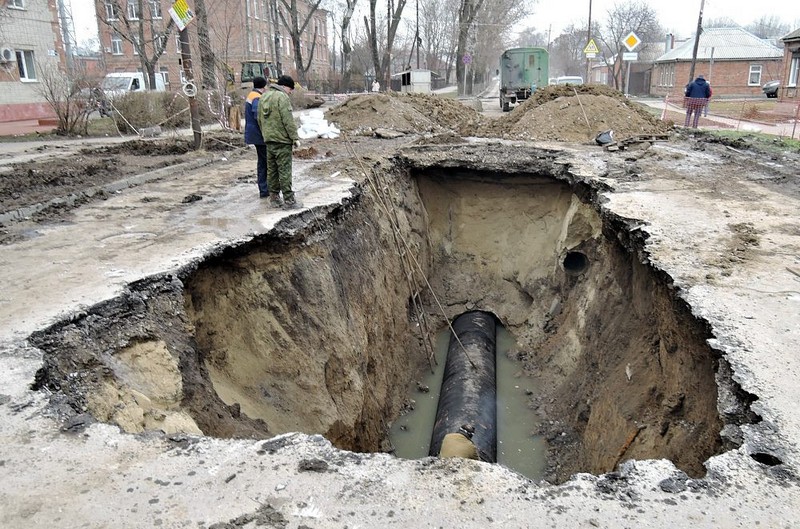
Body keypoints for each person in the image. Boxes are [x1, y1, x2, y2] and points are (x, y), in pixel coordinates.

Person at [258, 74, 301, 209]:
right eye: (290, 89)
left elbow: (259, 119)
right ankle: (289, 200)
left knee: (272, 170)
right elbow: (287, 120)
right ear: (284, 87)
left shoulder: (264, 96)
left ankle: (274, 198)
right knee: (284, 170)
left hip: (269, 140)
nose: (290, 92)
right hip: (282, 141)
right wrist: (294, 138)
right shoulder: (282, 97)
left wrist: (266, 134)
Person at [244, 76, 268, 198]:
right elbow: (258, 115)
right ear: (264, 87)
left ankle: (264, 189)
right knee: (265, 162)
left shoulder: (251, 95)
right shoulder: (257, 98)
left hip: (254, 133)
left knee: (262, 161)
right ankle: (265, 189)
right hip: (258, 135)